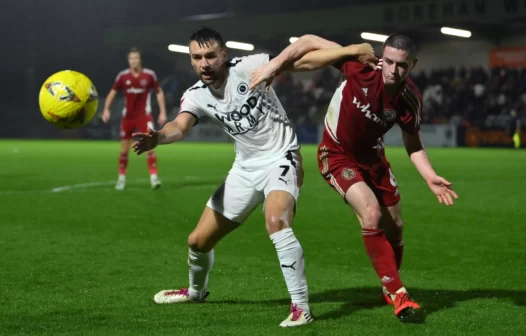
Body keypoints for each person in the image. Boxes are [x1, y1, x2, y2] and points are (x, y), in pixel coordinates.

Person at [131, 27, 357, 327]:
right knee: (197, 241)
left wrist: (344, 55)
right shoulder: (196, 96)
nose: (204, 63)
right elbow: (180, 125)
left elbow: (302, 62)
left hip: (282, 158)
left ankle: (301, 307)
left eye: (211, 55)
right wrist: (158, 137)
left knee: (276, 220)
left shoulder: (251, 67)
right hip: (244, 169)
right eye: (197, 58)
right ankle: (196, 292)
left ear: (224, 55)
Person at [250, 33, 459, 319]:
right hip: (335, 155)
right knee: (371, 213)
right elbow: (309, 40)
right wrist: (275, 65)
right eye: (389, 61)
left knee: (395, 225)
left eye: (402, 65)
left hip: (374, 160)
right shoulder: (360, 65)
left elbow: (413, 143)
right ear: (382, 57)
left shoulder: (409, 99)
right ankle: (398, 294)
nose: (393, 70)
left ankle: (389, 284)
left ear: (413, 65)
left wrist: (430, 176)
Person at [102, 47, 167, 190]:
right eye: (131, 58)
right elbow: (112, 93)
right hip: (128, 117)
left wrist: (162, 111)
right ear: (128, 60)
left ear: (140, 60)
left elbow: (159, 92)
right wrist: (106, 109)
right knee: (124, 149)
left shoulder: (149, 75)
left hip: (144, 116)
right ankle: (121, 179)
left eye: (136, 58)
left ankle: (154, 178)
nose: (133, 61)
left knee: (150, 146)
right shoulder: (123, 76)